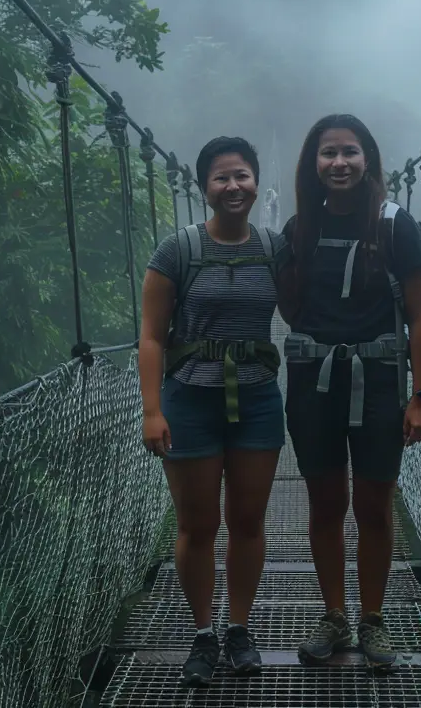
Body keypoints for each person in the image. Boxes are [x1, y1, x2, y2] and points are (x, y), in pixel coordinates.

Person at [276, 114, 421, 670]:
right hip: (313, 384)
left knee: (372, 505)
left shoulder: (395, 225)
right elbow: (289, 306)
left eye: (349, 151)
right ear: (313, 164)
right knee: (325, 503)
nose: (338, 163)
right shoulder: (298, 230)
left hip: (380, 383)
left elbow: (420, 316)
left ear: (367, 159)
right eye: (327, 153)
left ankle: (373, 620)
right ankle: (334, 617)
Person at [138, 136, 286, 686]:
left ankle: (239, 628)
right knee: (197, 526)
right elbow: (151, 337)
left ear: (255, 183)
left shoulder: (274, 247)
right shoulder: (177, 250)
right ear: (204, 188)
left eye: (242, 176)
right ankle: (204, 633)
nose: (233, 186)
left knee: (246, 522)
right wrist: (152, 410)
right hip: (190, 399)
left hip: (257, 400)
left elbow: (309, 299)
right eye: (222, 178)